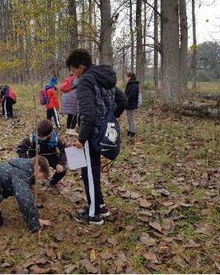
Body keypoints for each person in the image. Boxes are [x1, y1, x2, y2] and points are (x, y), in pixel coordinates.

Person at [66, 48, 127, 225]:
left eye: (74, 70)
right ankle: (100, 206)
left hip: (92, 134)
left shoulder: (86, 80)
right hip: (104, 132)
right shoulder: (104, 78)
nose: (74, 74)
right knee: (92, 171)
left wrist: (81, 139)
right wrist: (110, 118)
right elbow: (123, 101)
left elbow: (89, 114)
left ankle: (93, 214)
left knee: (90, 173)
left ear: (81, 66)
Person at [16, 119, 67, 192]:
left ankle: (53, 182)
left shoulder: (56, 140)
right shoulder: (31, 139)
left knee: (64, 169)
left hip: (51, 158)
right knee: (28, 169)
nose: (38, 137)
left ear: (49, 134)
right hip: (35, 158)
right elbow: (20, 149)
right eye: (37, 134)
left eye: (41, 136)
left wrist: (61, 164)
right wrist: (27, 161)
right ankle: (30, 182)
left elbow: (64, 151)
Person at [124, 72, 140, 142]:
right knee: (129, 118)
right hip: (129, 104)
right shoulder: (131, 84)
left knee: (131, 118)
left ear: (129, 77)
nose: (125, 78)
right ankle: (130, 130)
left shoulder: (133, 85)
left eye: (126, 77)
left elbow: (132, 95)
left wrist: (125, 98)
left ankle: (132, 132)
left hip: (131, 104)